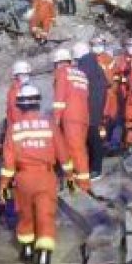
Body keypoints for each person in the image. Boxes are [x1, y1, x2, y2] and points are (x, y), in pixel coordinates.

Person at [0, 84, 69, 264]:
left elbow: (8, 161)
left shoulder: (14, 129)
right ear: (38, 102)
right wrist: (70, 177)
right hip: (46, 178)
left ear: (19, 105)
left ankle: (27, 252)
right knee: (45, 218)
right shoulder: (49, 125)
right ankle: (44, 262)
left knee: (26, 216)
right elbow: (63, 154)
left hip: (23, 179)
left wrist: (3, 184)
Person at [52, 47, 92, 193]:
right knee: (79, 149)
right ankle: (76, 182)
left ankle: (83, 186)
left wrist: (55, 120)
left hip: (70, 117)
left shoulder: (62, 73)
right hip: (83, 116)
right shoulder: (81, 74)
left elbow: (59, 99)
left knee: (75, 151)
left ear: (57, 63)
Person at [73, 40, 109, 180]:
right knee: (92, 138)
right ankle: (93, 167)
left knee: (93, 139)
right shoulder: (92, 63)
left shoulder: (86, 66)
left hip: (91, 108)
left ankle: (96, 169)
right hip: (95, 107)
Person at [92, 37, 120, 143]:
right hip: (100, 93)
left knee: (112, 117)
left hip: (110, 92)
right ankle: (103, 141)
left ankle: (110, 142)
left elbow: (116, 74)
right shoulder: (92, 59)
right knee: (102, 119)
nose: (97, 47)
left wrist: (115, 86)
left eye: (98, 44)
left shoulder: (109, 59)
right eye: (95, 44)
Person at [5, 60, 32, 128]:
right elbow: (15, 113)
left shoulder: (23, 88)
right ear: (17, 76)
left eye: (27, 74)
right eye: (24, 75)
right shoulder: (16, 91)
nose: (27, 77)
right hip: (19, 127)